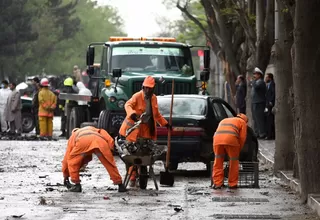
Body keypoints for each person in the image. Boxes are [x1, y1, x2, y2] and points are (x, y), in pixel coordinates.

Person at [118, 76, 171, 187]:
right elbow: (128, 104)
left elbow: (156, 114)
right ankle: (132, 178)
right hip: (133, 131)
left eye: (150, 88)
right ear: (143, 87)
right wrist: (132, 113)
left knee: (144, 154)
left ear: (153, 88)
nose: (147, 90)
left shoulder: (154, 98)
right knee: (133, 153)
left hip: (146, 131)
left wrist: (165, 124)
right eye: (146, 88)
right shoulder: (137, 96)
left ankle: (141, 175)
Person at [62, 126, 126, 192]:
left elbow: (67, 159)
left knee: (73, 161)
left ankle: (77, 185)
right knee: (108, 163)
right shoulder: (91, 128)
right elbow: (103, 132)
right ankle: (120, 184)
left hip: (83, 143)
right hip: (100, 142)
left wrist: (65, 176)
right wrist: (112, 146)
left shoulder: (73, 136)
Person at [212, 113, 248, 190]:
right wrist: (238, 149)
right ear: (245, 120)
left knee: (218, 161)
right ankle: (232, 184)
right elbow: (242, 137)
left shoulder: (224, 120)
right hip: (231, 140)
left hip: (217, 140)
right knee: (234, 161)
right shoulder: (242, 122)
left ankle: (218, 183)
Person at [248, 67, 267, 139]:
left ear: (259, 75)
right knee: (255, 119)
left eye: (255, 74)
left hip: (259, 103)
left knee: (259, 119)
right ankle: (257, 133)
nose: (254, 76)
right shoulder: (256, 82)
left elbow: (256, 87)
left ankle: (262, 133)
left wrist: (252, 81)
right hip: (254, 102)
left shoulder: (261, 82)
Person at [265, 73, 275, 140]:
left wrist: (271, 101)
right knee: (268, 120)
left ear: (270, 78)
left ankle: (270, 135)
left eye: (267, 77)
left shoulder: (272, 84)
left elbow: (273, 93)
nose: (265, 78)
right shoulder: (268, 85)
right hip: (268, 104)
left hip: (270, 104)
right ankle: (269, 134)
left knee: (270, 120)